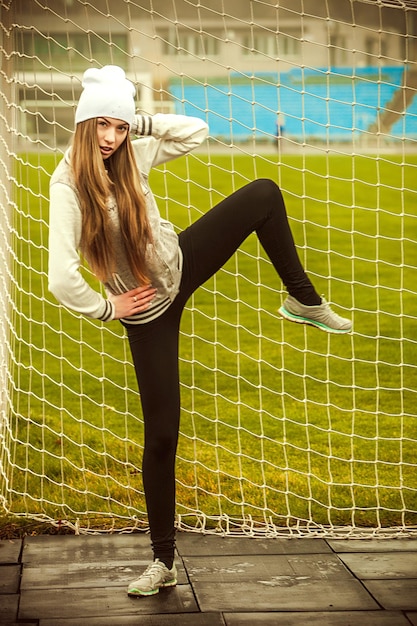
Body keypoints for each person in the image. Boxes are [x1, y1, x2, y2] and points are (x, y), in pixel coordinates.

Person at [48, 65, 351, 597]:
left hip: (181, 262)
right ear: (83, 123)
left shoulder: (131, 152)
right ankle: (161, 561)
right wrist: (107, 308)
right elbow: (59, 276)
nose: (111, 138)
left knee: (263, 193)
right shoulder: (67, 184)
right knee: (163, 434)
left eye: (118, 128)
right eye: (102, 126)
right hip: (145, 313)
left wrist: (134, 119)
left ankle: (302, 300)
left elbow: (194, 132)